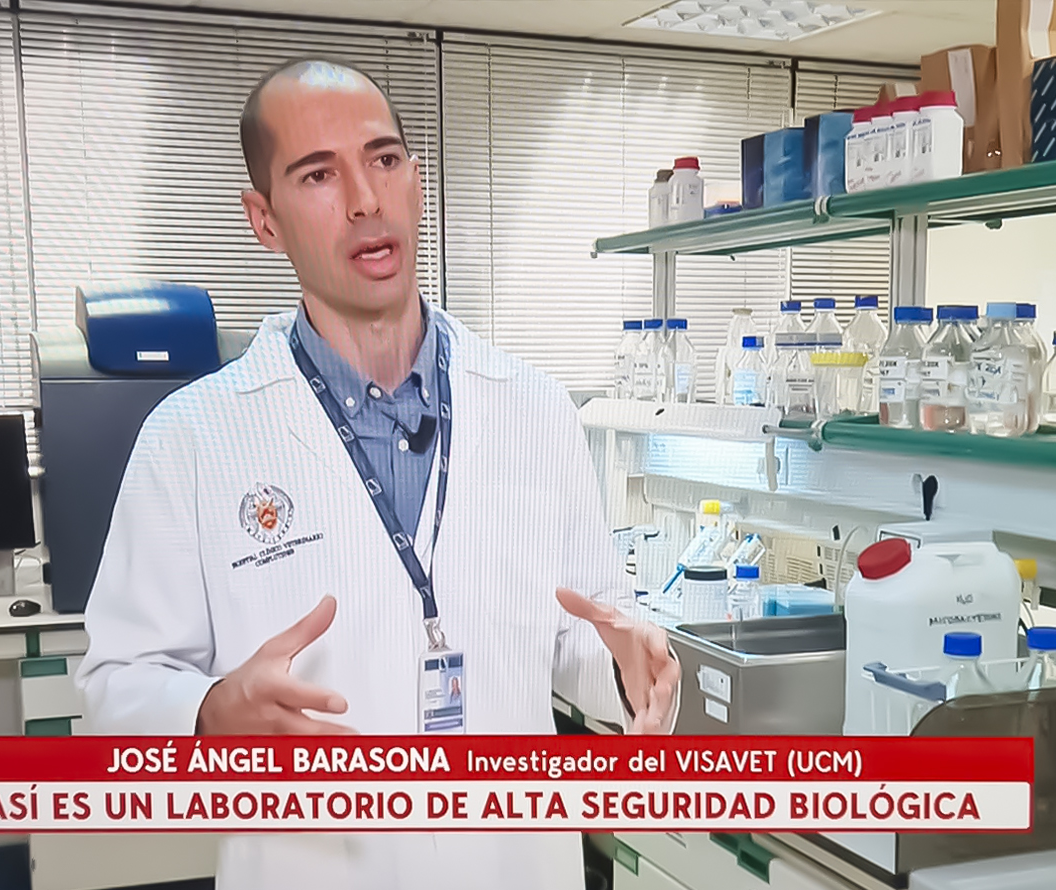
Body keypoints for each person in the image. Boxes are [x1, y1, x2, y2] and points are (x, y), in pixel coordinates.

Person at [77, 58, 679, 890]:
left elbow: (581, 629)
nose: (365, 199)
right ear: (264, 220)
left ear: (416, 182)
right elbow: (114, 689)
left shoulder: (533, 408)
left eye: (384, 159)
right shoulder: (191, 439)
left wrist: (626, 664)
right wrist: (207, 714)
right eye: (318, 174)